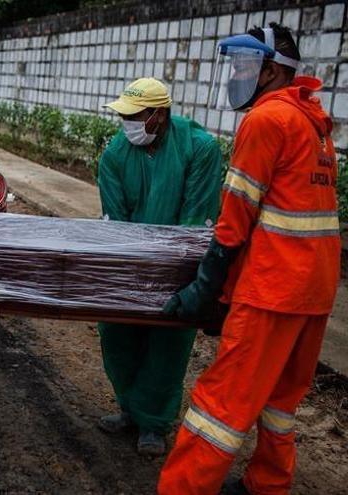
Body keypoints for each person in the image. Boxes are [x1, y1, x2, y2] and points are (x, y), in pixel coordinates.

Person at [158, 23, 340, 494]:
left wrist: (206, 284)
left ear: (270, 71)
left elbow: (237, 215)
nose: (236, 74)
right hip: (315, 290)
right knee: (280, 400)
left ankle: (183, 487)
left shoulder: (266, 121)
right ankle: (268, 484)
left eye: (243, 64)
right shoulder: (315, 125)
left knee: (223, 402)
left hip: (274, 290)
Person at [96, 77, 222, 456]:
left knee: (167, 342)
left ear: (159, 116)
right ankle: (129, 409)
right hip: (128, 264)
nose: (127, 123)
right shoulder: (116, 154)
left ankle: (153, 422)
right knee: (117, 333)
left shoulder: (200, 148)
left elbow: (194, 219)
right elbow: (115, 220)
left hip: (178, 267)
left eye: (136, 116)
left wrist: (172, 275)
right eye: (125, 116)